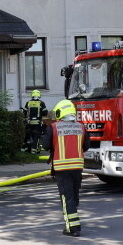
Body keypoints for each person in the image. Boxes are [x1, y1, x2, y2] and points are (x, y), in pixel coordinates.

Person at [42, 99, 87, 237]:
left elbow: (45, 145)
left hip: (62, 168)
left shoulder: (54, 127)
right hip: (77, 167)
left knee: (66, 197)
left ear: (60, 113)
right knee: (74, 196)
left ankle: (72, 227)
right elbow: (86, 146)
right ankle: (73, 221)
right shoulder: (81, 127)